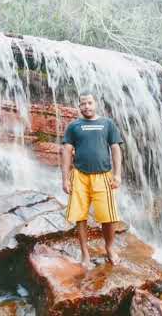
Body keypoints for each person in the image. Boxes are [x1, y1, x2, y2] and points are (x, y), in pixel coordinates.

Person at [61, 91, 123, 267]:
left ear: (95, 104)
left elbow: (116, 149)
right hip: (79, 176)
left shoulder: (107, 124)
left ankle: (109, 247)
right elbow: (66, 151)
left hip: (103, 176)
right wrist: (65, 179)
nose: (86, 106)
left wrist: (117, 174)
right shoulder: (74, 126)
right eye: (83, 104)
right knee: (80, 217)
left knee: (109, 217)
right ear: (79, 106)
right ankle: (85, 254)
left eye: (89, 103)